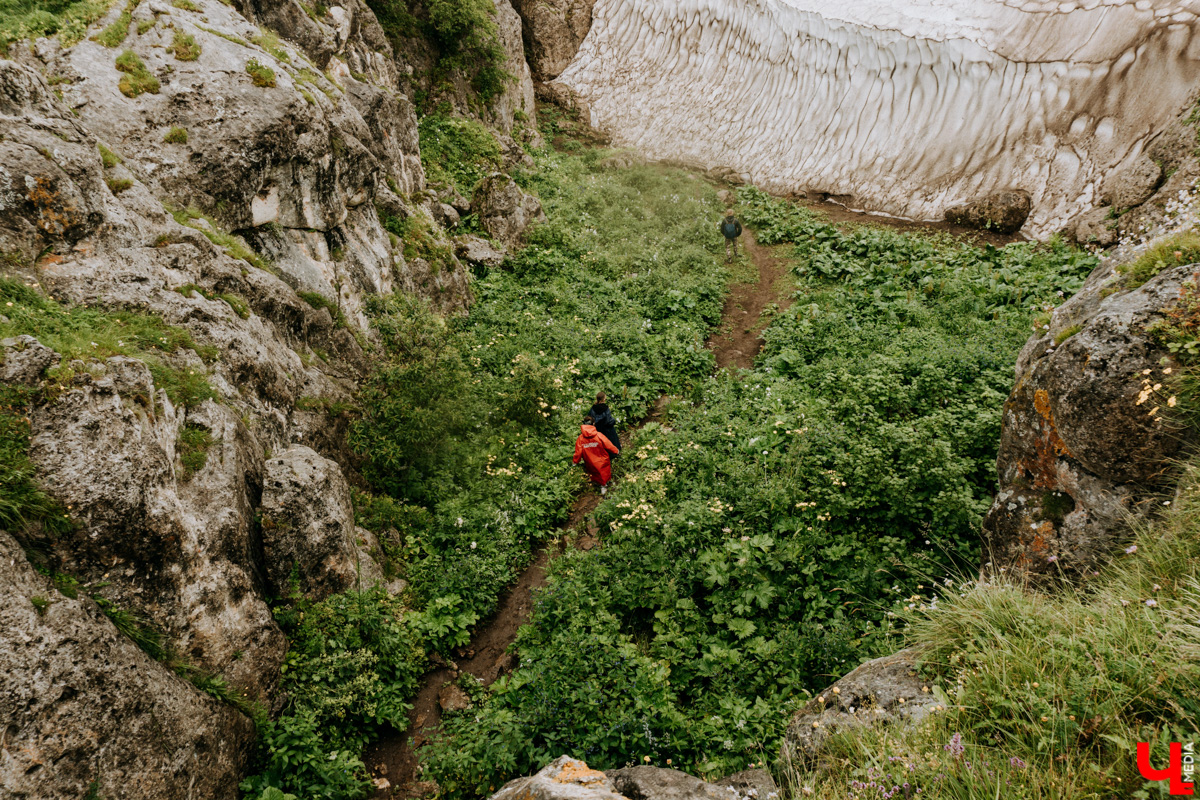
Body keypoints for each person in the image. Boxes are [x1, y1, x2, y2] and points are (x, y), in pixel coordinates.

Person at [573, 415, 620, 494]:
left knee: (594, 473)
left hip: (589, 461)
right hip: (602, 460)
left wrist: (575, 461)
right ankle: (604, 486)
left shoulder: (580, 438)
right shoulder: (598, 435)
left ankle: (598, 484)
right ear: (593, 424)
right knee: (604, 473)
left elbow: (578, 452)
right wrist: (616, 451)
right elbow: (608, 445)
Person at [588, 391, 621, 457]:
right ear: (604, 399)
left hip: (597, 429)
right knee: (610, 440)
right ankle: (613, 453)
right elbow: (609, 421)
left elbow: (590, 418)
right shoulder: (606, 408)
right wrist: (613, 421)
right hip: (607, 429)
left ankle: (599, 454)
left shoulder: (593, 408)